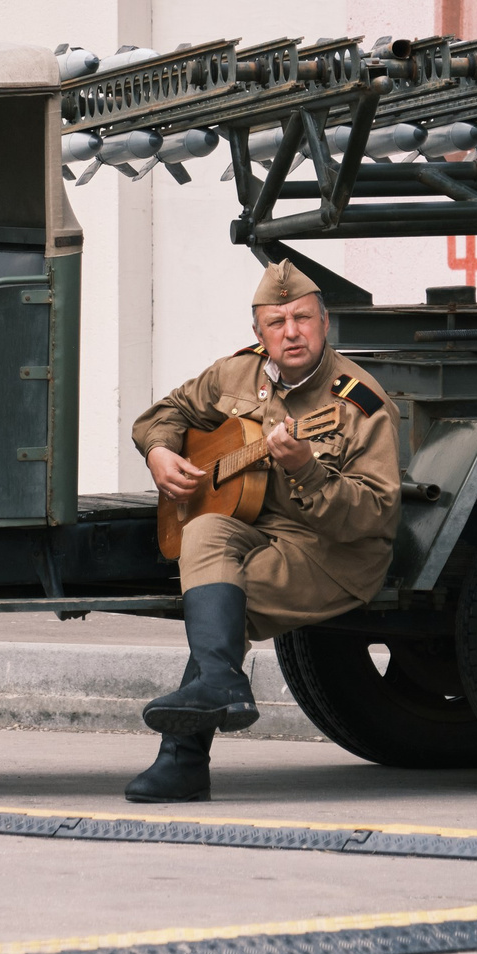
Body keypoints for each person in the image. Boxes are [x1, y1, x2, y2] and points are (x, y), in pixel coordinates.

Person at [123, 260, 401, 803]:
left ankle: (182, 758)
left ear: (325, 324)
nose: (290, 332)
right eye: (276, 323)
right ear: (259, 334)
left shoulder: (359, 404)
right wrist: (159, 451)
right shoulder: (236, 373)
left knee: (226, 606)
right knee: (204, 532)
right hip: (259, 525)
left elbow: (375, 517)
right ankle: (222, 687)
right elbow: (166, 412)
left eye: (302, 318)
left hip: (334, 551)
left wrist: (306, 468)